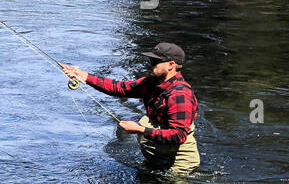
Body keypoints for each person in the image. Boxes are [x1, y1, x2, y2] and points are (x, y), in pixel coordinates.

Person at [58, 42, 199, 176]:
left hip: (178, 164)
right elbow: (118, 88)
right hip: (156, 158)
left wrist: (140, 130)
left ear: (171, 65)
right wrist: (82, 75)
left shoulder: (180, 94)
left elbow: (178, 135)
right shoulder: (150, 83)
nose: (150, 64)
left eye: (155, 62)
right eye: (150, 60)